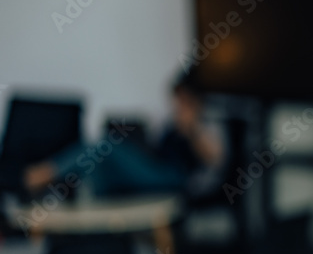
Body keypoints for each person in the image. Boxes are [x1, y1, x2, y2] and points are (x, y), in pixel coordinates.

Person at [23, 72, 227, 199]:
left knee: (106, 146)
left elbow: (215, 158)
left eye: (182, 99)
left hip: (174, 177)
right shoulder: (173, 120)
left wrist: (192, 128)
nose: (176, 104)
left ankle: (47, 173)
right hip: (156, 169)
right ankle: (93, 232)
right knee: (100, 169)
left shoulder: (205, 122)